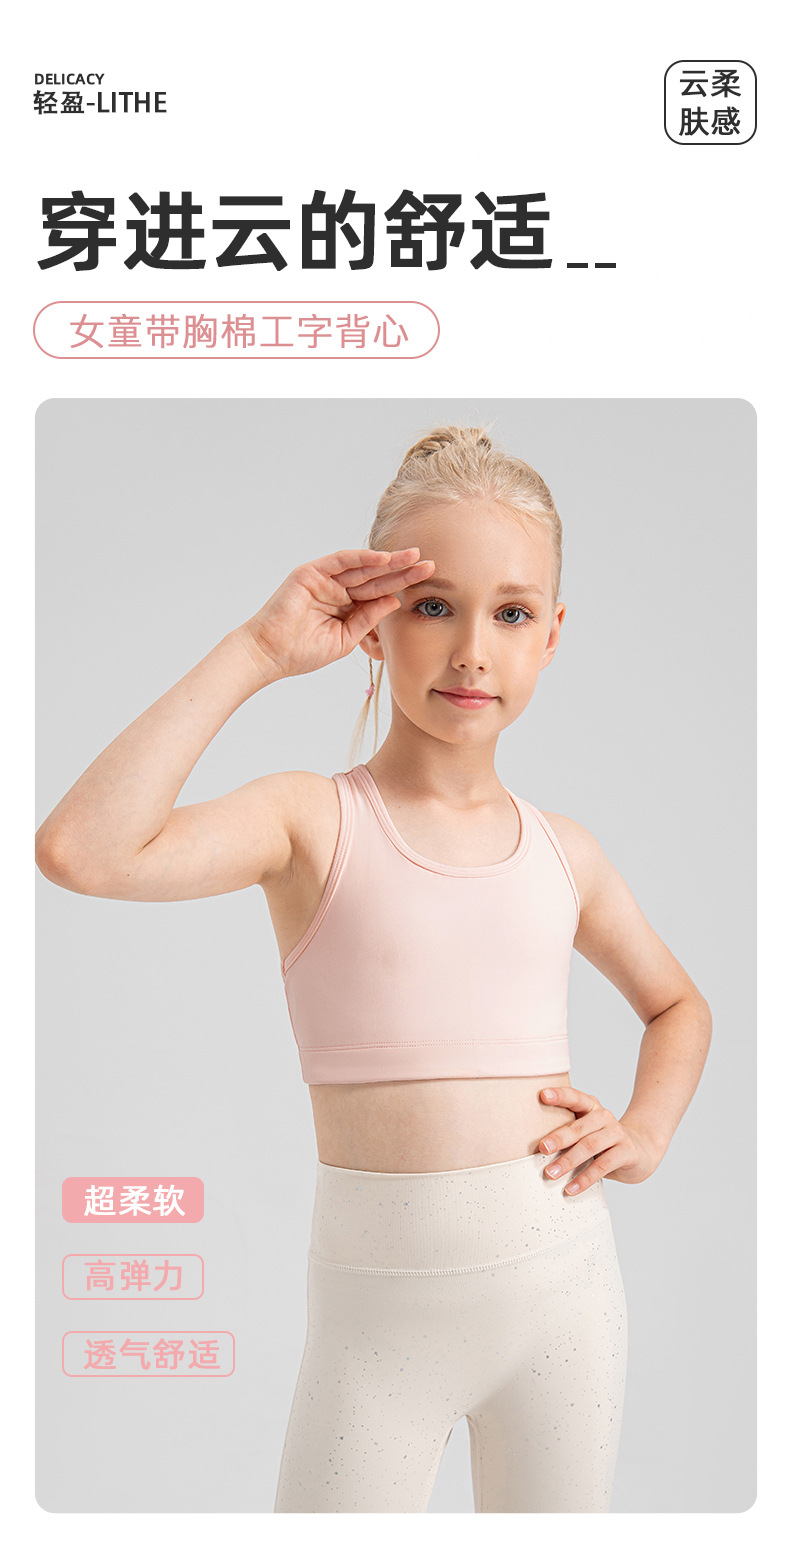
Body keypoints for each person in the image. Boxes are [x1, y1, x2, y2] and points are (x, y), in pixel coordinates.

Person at [35, 425, 712, 1513]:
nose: (472, 650)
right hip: (375, 1331)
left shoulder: (565, 854)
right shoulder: (311, 822)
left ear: (551, 635)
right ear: (373, 621)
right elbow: (83, 849)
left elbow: (677, 1004)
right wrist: (258, 650)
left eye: (511, 613)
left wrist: (646, 1131)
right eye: (433, 605)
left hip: (566, 1297)